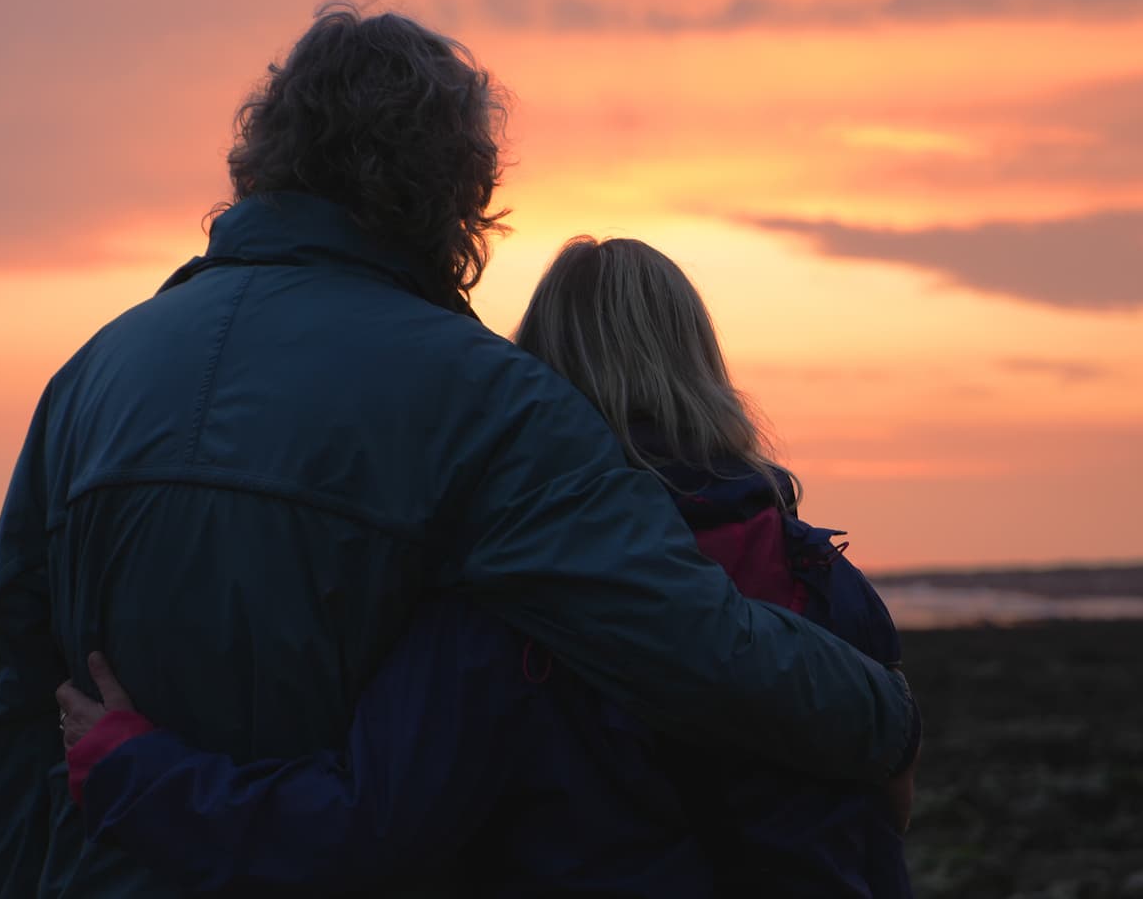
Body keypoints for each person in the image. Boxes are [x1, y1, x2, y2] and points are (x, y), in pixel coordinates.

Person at [0, 2, 918, 898]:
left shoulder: (93, 373)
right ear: (456, 190)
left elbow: (1, 691)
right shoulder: (491, 401)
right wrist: (886, 716)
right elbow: (692, 644)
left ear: (265, 156)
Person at [54, 237, 916, 896]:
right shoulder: (824, 582)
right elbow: (883, 823)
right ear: (704, 367)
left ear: (536, 377)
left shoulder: (511, 599)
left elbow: (364, 830)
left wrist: (133, 771)